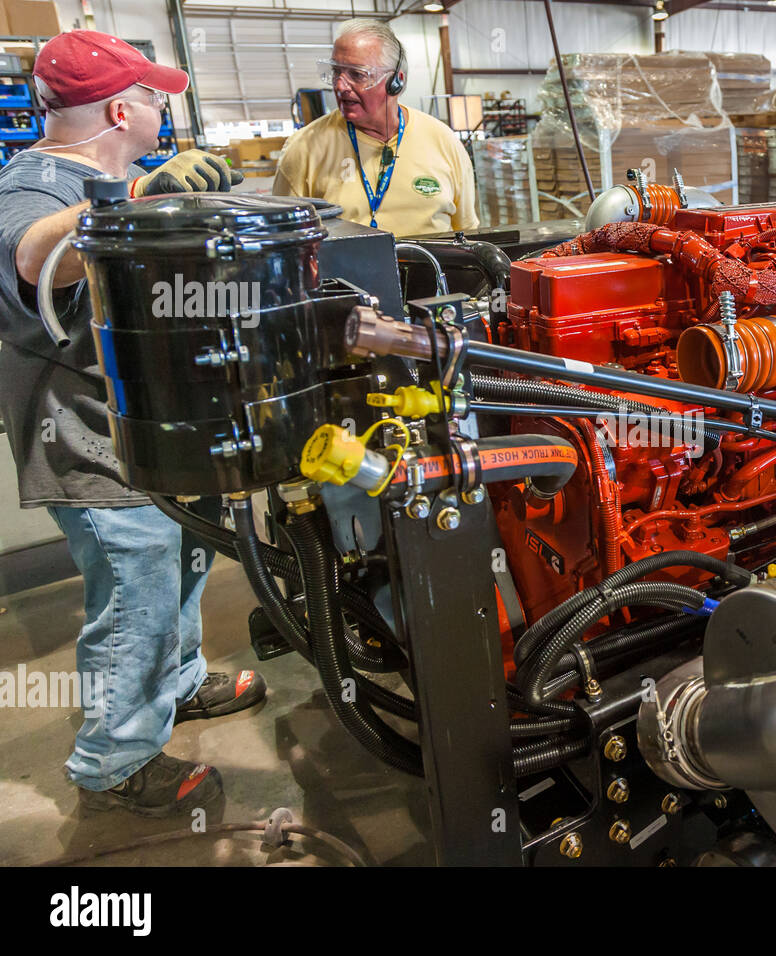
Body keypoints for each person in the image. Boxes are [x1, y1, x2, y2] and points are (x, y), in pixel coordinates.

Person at [0, 30, 267, 817]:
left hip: (143, 434)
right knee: (134, 595)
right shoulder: (34, 185)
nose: (161, 107)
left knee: (177, 560)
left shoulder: (96, 176)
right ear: (122, 108)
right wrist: (141, 197)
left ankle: (175, 686)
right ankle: (114, 760)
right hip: (85, 437)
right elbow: (28, 256)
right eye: (153, 96)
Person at [273, 18, 479, 237]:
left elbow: (466, 232)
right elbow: (284, 240)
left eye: (357, 74)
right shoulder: (304, 148)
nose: (340, 86)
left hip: (433, 269)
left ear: (395, 82)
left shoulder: (443, 140)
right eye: (336, 73)